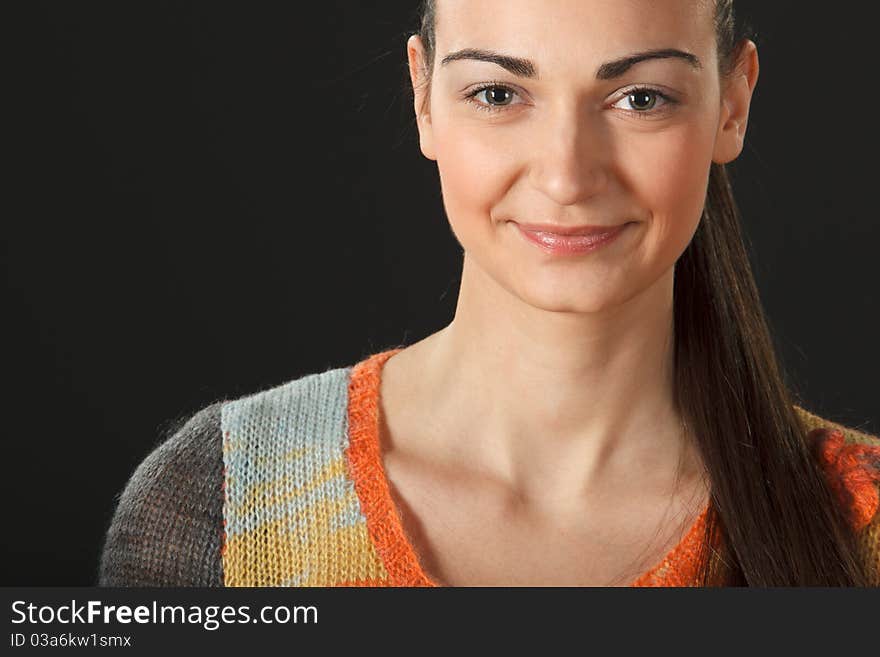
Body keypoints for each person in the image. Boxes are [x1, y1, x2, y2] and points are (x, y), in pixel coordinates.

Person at [98, 0, 880, 587]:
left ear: (732, 105)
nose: (567, 176)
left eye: (641, 97)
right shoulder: (222, 505)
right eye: (500, 94)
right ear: (423, 96)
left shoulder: (862, 528)